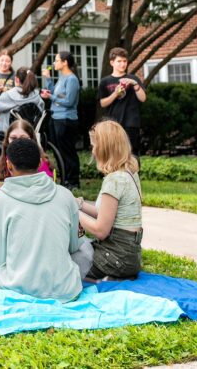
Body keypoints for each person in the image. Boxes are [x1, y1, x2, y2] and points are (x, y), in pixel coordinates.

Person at [0, 137, 93, 303]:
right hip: (65, 290)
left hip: (18, 288)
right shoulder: (65, 195)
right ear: (40, 163)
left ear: (8, 165)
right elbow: (74, 246)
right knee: (86, 246)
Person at [78, 120, 143, 280]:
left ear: (105, 148)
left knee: (65, 260)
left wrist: (73, 213)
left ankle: (104, 278)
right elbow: (106, 215)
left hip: (115, 258)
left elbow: (101, 230)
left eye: (94, 146)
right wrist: (79, 204)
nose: (93, 151)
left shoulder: (114, 180)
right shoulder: (128, 173)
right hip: (127, 255)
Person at [98, 48, 146, 154]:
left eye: (125, 61)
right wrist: (115, 94)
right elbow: (102, 103)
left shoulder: (133, 79)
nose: (123, 64)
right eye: (119, 61)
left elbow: (143, 98)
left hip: (131, 123)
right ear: (112, 63)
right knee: (115, 154)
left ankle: (133, 171)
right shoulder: (105, 81)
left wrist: (135, 85)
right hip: (113, 124)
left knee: (132, 154)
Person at [47, 50, 81, 189]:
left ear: (65, 62)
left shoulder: (72, 79)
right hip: (56, 118)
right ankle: (65, 180)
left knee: (68, 151)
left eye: (56, 60)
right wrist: (48, 79)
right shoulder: (61, 77)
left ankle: (73, 182)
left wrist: (51, 98)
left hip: (67, 120)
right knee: (59, 151)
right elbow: (54, 92)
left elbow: (69, 101)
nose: (54, 63)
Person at [0, 67, 44, 132]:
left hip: (10, 134)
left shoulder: (10, 95)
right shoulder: (37, 96)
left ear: (16, 79)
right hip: (30, 133)